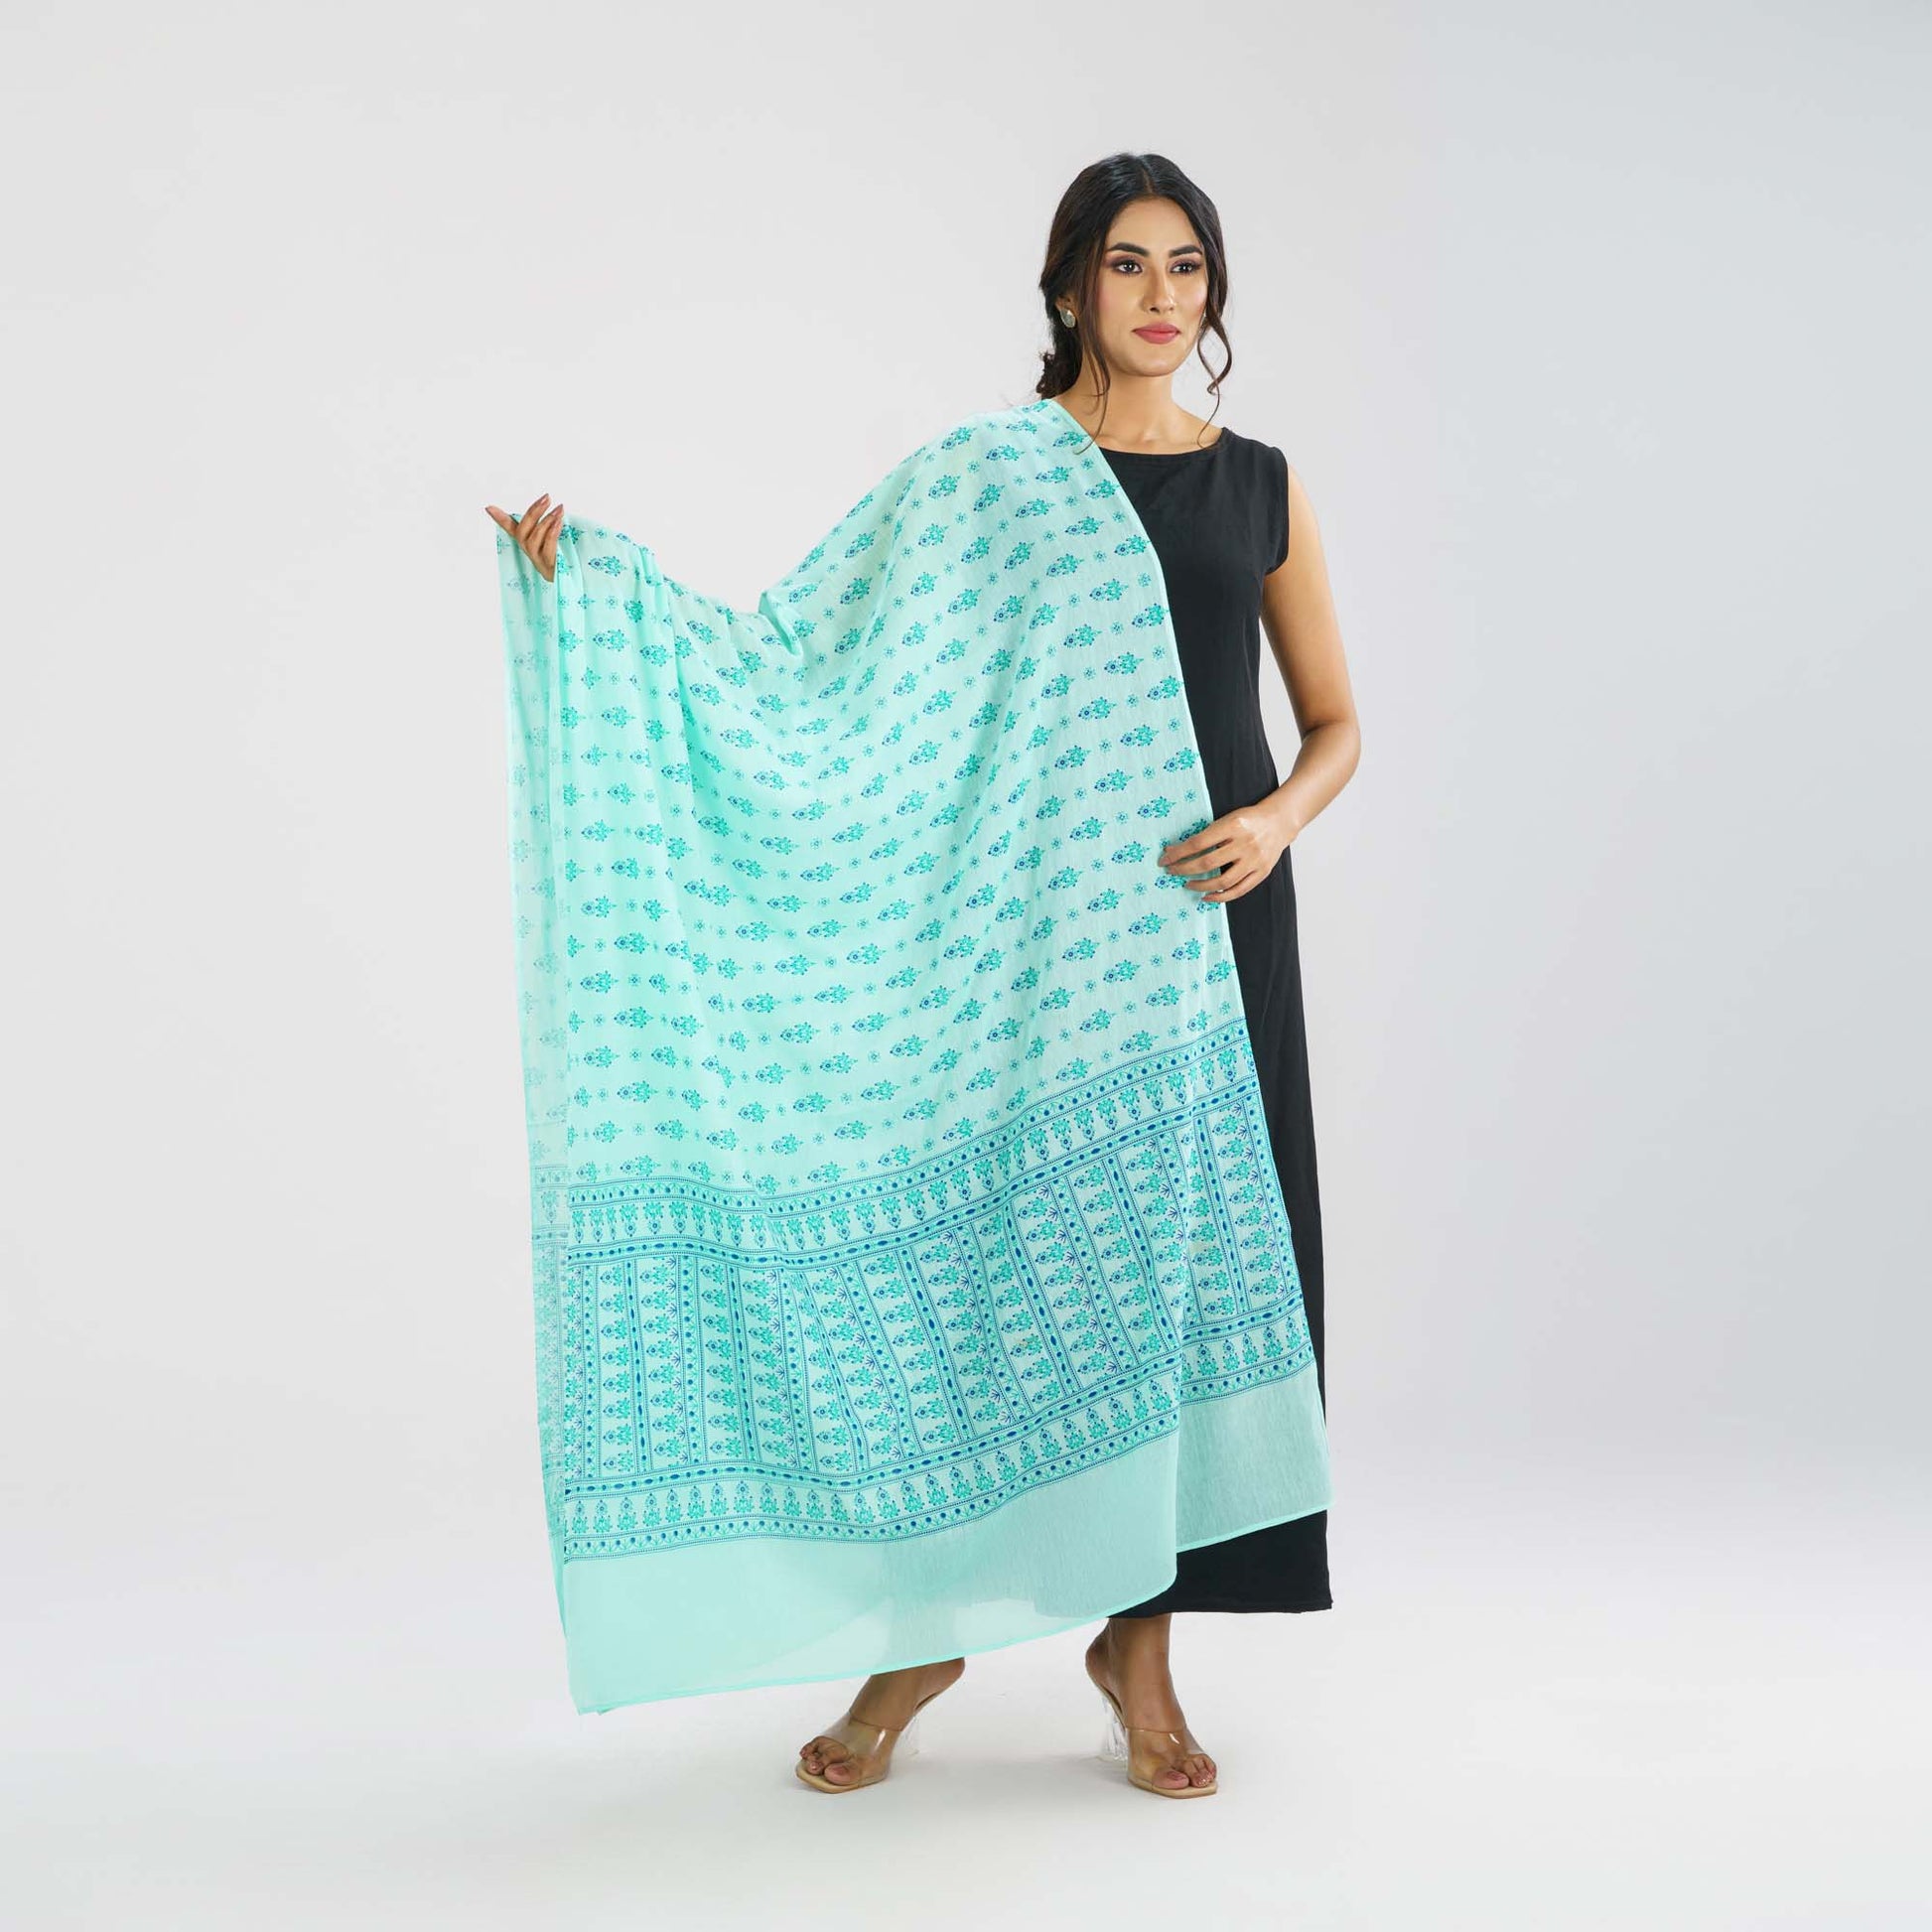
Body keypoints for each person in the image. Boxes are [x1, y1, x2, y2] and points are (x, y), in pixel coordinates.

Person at [486, 151, 1360, 1799]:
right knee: (994, 1281)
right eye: (1125, 264)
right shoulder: (987, 477)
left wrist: (1273, 820)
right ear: (1067, 287)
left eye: (1184, 265)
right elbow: (797, 656)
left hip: (1209, 929)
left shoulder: (1257, 485)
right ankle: (925, 1624)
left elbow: (1333, 723)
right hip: (1027, 947)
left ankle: (1139, 1649)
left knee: (1167, 1283)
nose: (1159, 295)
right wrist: (596, 587)